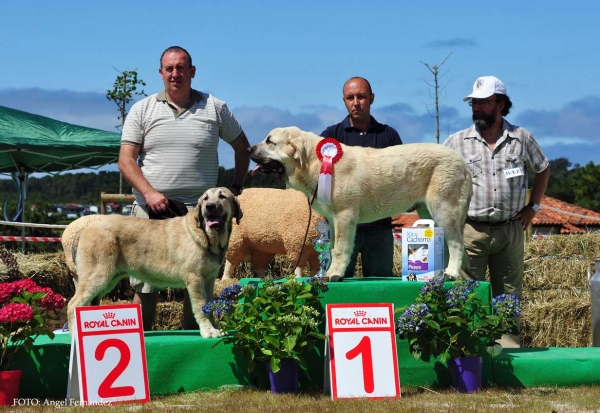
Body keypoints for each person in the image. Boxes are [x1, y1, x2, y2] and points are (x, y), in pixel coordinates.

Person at [119, 46, 250, 331]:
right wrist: (151, 193)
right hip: (149, 213)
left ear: (192, 71)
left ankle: (196, 356)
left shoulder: (215, 107)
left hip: (201, 215)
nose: (175, 74)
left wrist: (236, 187)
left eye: (181, 68)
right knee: (145, 289)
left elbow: (243, 147)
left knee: (201, 286)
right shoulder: (142, 109)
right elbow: (126, 160)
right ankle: (140, 354)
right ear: (161, 73)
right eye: (169, 68)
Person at [443, 75, 550, 347]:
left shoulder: (522, 138)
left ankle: (507, 357)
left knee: (510, 298)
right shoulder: (455, 142)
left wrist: (533, 207)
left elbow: (543, 169)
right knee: (466, 297)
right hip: (469, 231)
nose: (476, 107)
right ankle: (469, 354)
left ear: (501, 104)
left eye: (484, 102)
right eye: (474, 102)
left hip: (511, 230)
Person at [320, 77, 403, 278]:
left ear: (372, 98)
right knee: (336, 286)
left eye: (361, 97)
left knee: (380, 287)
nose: (356, 103)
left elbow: (401, 177)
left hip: (380, 229)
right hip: (341, 229)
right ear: (344, 101)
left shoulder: (389, 135)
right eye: (350, 98)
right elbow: (319, 180)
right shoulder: (329, 137)